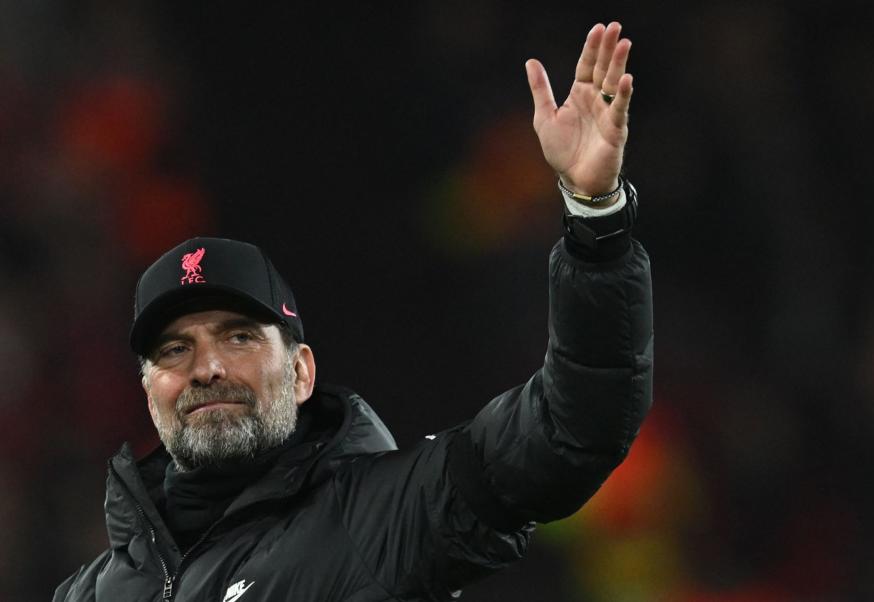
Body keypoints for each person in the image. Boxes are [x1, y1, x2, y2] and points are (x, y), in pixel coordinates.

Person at [53, 21, 654, 601]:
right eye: (174, 349)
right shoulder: (92, 593)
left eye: (238, 337)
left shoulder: (383, 516)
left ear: (302, 372)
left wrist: (595, 217)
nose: (206, 367)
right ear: (149, 389)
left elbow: (571, 426)